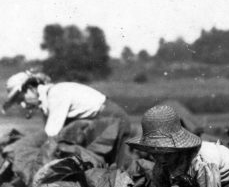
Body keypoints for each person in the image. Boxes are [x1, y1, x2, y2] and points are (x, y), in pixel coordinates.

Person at [3, 71, 132, 168]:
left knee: (120, 169)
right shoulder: (46, 102)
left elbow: (51, 136)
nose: (23, 105)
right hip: (98, 124)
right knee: (102, 169)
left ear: (30, 89)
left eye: (21, 99)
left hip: (112, 118)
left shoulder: (56, 94)